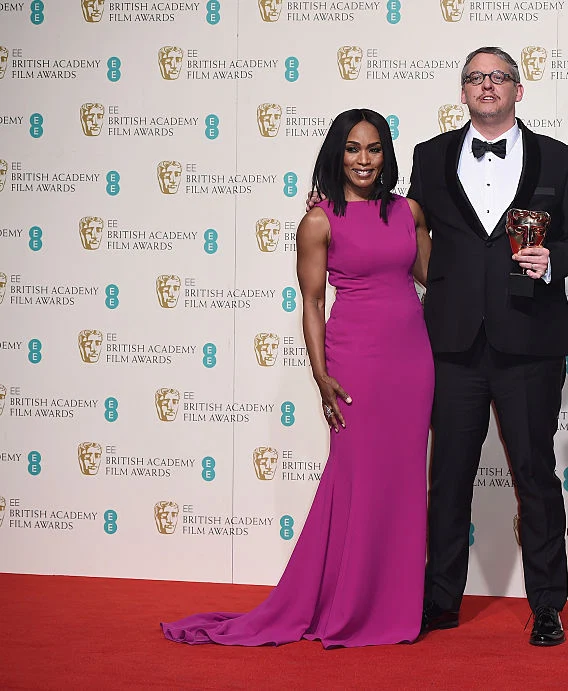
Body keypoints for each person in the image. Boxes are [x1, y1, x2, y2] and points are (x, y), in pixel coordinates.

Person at [161, 108, 433, 648]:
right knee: (356, 478)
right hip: (355, 361)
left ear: (387, 155)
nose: (363, 159)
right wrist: (321, 374)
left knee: (402, 482)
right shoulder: (319, 220)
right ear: (337, 154)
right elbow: (311, 302)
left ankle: (393, 604)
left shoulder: (409, 211)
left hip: (412, 361)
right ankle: (344, 603)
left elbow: (430, 276)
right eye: (353, 149)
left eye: (374, 148)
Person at [412, 46, 568, 646]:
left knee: (536, 476)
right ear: (462, 92)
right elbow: (410, 233)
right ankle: (439, 600)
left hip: (529, 343)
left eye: (498, 77)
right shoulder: (429, 156)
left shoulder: (560, 159)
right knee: (448, 478)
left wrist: (555, 261)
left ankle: (547, 605)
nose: (486, 86)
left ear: (520, 90)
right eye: (475, 78)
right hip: (452, 343)